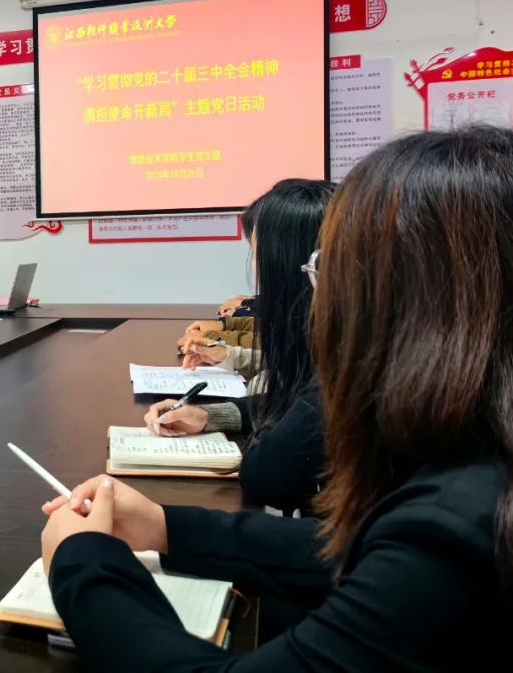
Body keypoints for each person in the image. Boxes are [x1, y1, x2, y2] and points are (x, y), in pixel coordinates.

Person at [41, 127, 513, 670]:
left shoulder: (459, 525)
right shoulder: (473, 463)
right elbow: (345, 550)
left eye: (329, 270)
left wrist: (83, 564)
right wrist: (166, 526)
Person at [149, 179, 335, 513]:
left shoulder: (345, 361)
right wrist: (209, 415)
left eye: (256, 251)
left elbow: (266, 474)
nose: (254, 268)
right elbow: (291, 402)